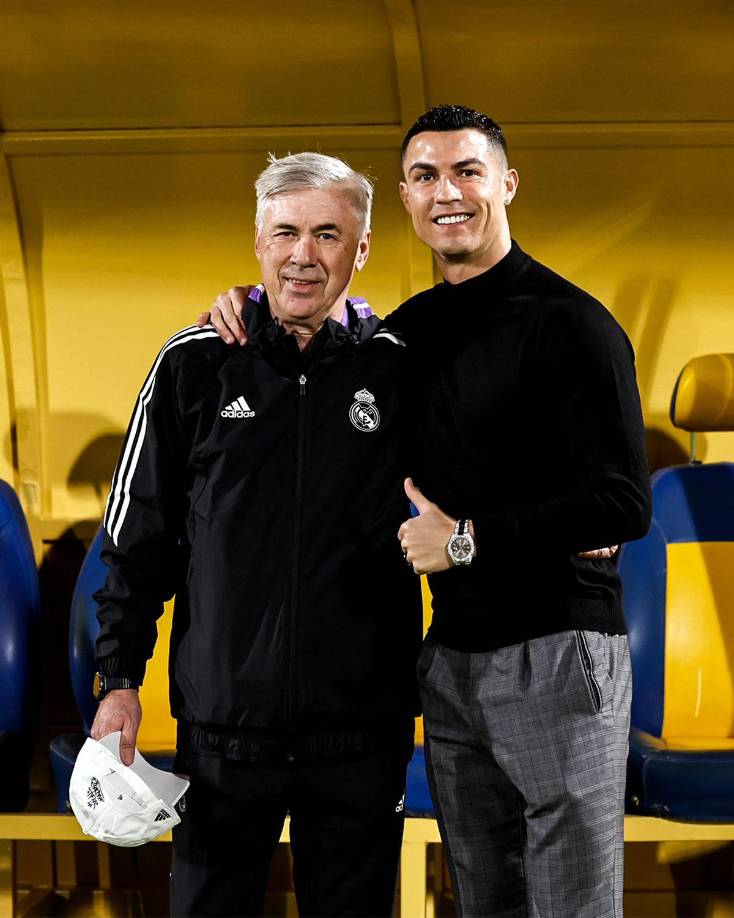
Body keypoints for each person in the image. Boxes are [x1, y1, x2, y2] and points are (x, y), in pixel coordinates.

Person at [205, 105, 652, 917]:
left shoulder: (575, 325)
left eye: (467, 172)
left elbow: (622, 502)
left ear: (506, 184)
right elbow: (315, 336)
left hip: (556, 649)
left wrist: (473, 542)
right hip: (450, 661)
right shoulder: (400, 339)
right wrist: (247, 304)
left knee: (572, 905)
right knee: (485, 899)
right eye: (424, 177)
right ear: (407, 206)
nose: (447, 192)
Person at [90, 152, 423, 918]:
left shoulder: (401, 371)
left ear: (361, 249)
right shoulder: (192, 365)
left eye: (328, 235)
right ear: (258, 241)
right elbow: (137, 541)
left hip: (361, 734)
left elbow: (476, 479)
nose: (304, 255)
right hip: (223, 734)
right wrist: (118, 683)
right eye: (286, 233)